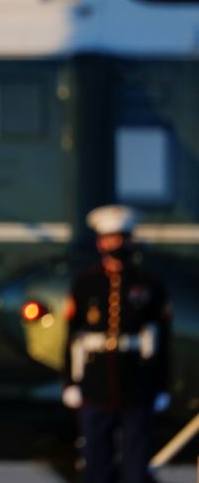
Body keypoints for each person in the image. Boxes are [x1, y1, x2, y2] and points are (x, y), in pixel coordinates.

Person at [62, 205, 171, 483]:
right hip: (96, 380)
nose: (116, 244)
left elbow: (162, 337)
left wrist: (161, 384)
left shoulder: (149, 283)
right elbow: (73, 335)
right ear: (101, 242)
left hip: (136, 378)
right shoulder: (86, 283)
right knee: (96, 462)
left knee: (136, 462)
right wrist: (70, 381)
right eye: (110, 238)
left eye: (121, 238)